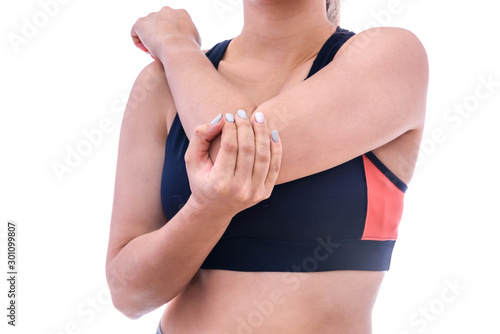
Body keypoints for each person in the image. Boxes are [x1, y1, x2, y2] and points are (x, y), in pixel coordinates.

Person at [105, 0, 429, 333]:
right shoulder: (160, 84)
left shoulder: (389, 56)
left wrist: (175, 45)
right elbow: (128, 292)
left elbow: (235, 151)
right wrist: (206, 211)